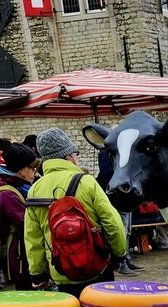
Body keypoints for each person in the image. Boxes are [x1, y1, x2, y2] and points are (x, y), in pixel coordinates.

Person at [24, 127, 126, 298]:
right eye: (75, 153)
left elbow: (33, 237)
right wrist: (118, 255)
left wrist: (37, 273)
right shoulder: (87, 182)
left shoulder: (34, 190)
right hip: (97, 266)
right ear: (68, 156)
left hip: (61, 270)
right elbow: (112, 222)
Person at [0, 143, 39, 291]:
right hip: (20, 259)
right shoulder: (8, 194)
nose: (34, 173)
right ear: (21, 170)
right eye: (32, 168)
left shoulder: (21, 189)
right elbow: (27, 224)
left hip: (25, 257)